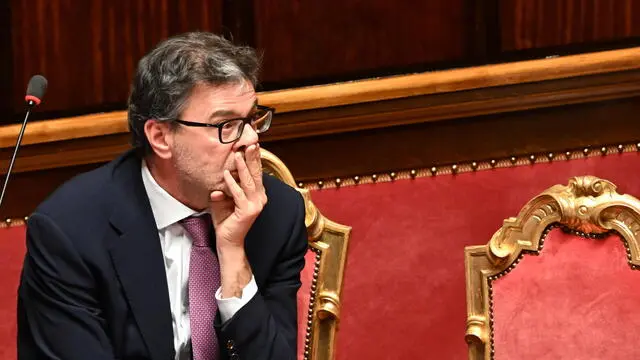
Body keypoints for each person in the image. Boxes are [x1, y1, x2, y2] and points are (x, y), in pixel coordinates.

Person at [17, 32, 308, 360]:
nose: (251, 139)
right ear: (160, 137)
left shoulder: (277, 214)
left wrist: (233, 253)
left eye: (253, 119)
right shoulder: (71, 233)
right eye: (226, 125)